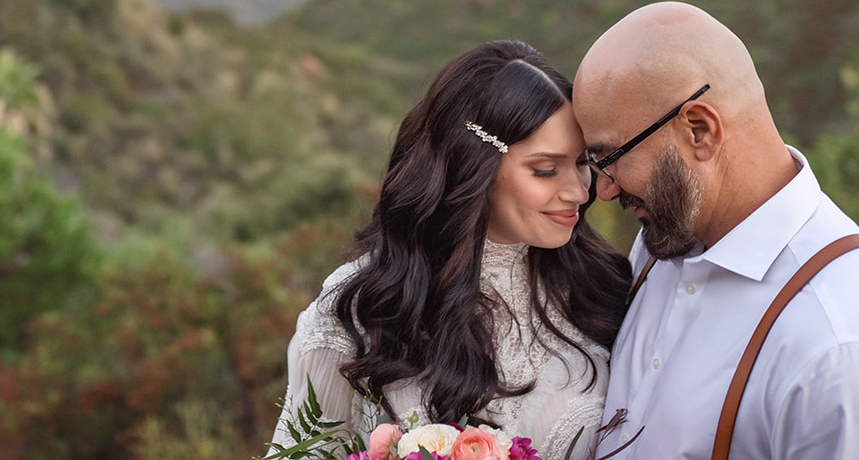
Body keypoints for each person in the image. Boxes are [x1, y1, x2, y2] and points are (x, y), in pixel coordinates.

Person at [571, 1, 859, 459]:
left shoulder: (847, 355)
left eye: (609, 159)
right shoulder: (667, 230)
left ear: (699, 130)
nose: (605, 190)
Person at [269, 40, 632, 459]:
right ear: (476, 166)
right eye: (545, 170)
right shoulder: (363, 306)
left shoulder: (603, 286)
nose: (578, 191)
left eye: (583, 162)